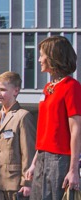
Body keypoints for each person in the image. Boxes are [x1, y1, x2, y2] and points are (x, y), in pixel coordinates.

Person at [26, 36, 81, 200]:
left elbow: (76, 129)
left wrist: (73, 169)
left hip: (60, 159)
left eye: (42, 55)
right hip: (43, 156)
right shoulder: (49, 87)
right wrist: (34, 162)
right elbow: (45, 129)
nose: (39, 59)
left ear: (53, 57)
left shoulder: (72, 87)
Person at [0, 71, 36, 200]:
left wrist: (27, 183)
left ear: (15, 91)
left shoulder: (23, 116)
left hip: (15, 184)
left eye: (3, 90)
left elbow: (28, 152)